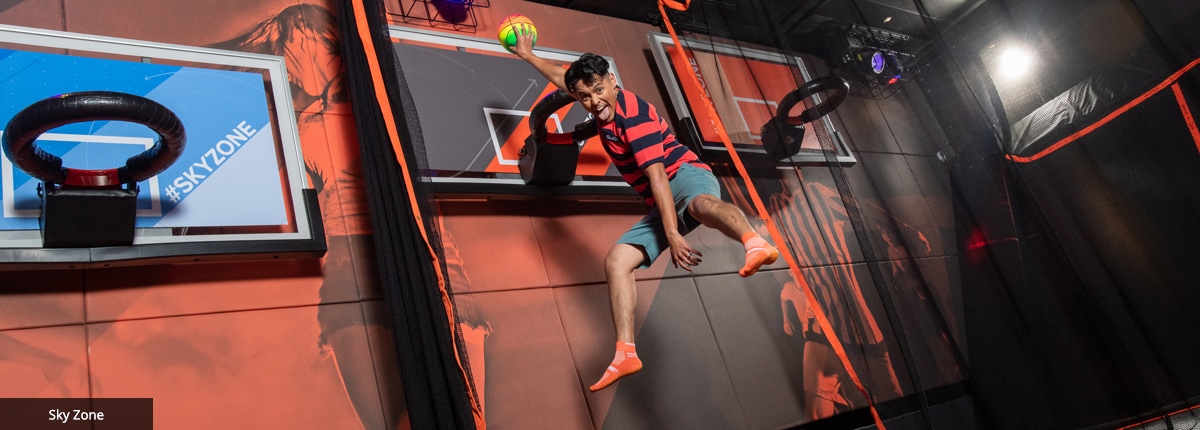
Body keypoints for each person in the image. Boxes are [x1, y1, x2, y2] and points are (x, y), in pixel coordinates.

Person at [510, 27, 779, 392]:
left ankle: (754, 241)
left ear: (612, 81)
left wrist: (671, 234)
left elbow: (658, 179)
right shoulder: (595, 98)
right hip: (664, 199)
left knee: (699, 206)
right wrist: (527, 55)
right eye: (584, 97)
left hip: (683, 175)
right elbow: (564, 78)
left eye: (598, 91)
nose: (593, 102)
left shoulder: (632, 118)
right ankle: (625, 353)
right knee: (617, 261)